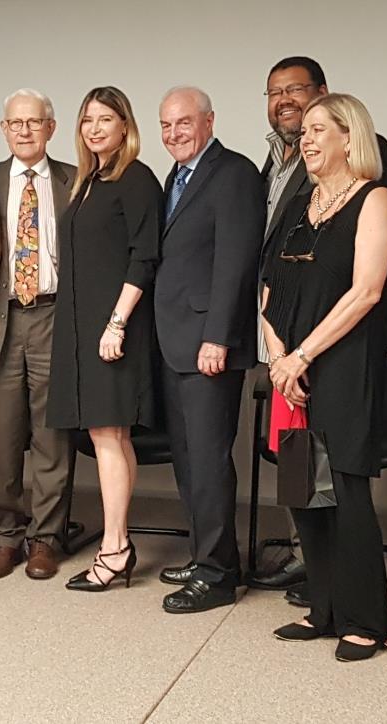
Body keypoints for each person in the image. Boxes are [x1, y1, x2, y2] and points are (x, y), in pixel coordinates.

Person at [246, 56, 387, 611]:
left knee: (346, 494)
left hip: (341, 364)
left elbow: (366, 293)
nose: (304, 140)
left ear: (348, 136)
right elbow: (268, 288)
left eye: (316, 131)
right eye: (304, 132)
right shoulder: (298, 205)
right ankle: (324, 610)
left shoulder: (373, 200)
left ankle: (366, 619)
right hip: (291, 370)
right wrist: (278, 356)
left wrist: (302, 354)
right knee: (301, 490)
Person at [153, 86, 264, 613]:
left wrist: (217, 335)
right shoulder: (174, 178)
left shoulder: (235, 173)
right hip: (174, 342)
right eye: (167, 125)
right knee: (189, 458)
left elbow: (236, 262)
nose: (174, 133)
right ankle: (206, 557)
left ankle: (218, 576)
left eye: (184, 123)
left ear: (209, 121)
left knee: (210, 459)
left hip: (208, 344)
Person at [47, 86, 163, 592]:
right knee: (106, 437)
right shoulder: (86, 181)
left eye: (106, 119)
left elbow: (144, 257)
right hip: (79, 329)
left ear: (125, 126)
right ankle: (119, 543)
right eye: (88, 120)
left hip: (113, 330)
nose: (95, 128)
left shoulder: (135, 179)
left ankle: (114, 548)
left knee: (109, 436)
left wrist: (116, 323)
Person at [0, 89, 77, 580]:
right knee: (1, 436)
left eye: (33, 122)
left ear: (50, 128)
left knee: (51, 438)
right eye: (14, 123)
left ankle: (45, 538)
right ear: (3, 129)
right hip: (0, 318)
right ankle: (5, 537)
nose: (23, 130)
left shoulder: (76, 181)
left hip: (54, 317)